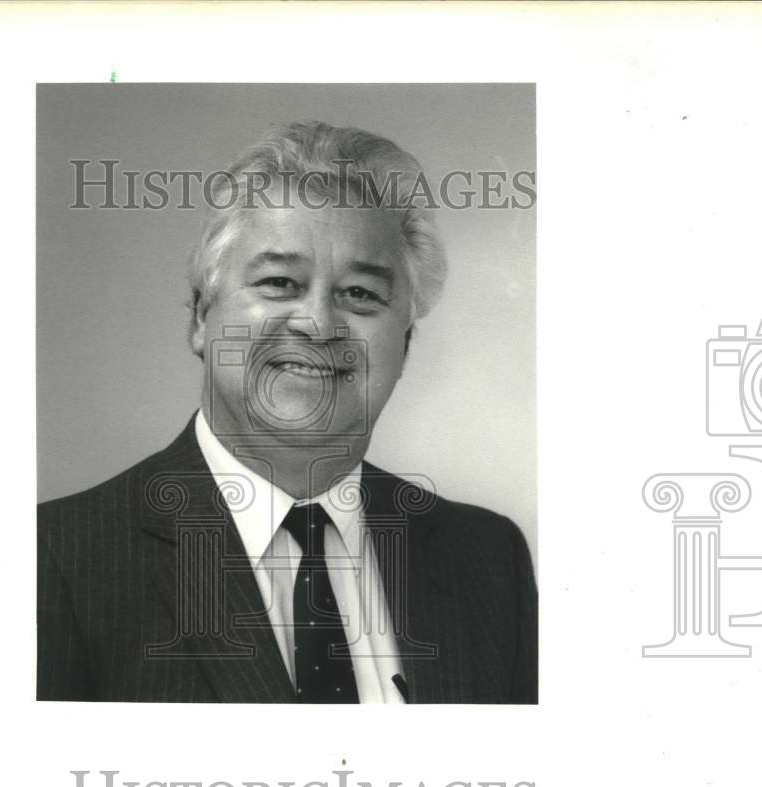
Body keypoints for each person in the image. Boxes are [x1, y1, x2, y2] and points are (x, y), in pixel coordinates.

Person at [37, 121, 537, 703]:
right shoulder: (55, 559)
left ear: (404, 343)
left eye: (361, 294)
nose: (319, 325)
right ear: (201, 318)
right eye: (279, 282)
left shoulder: (487, 557)